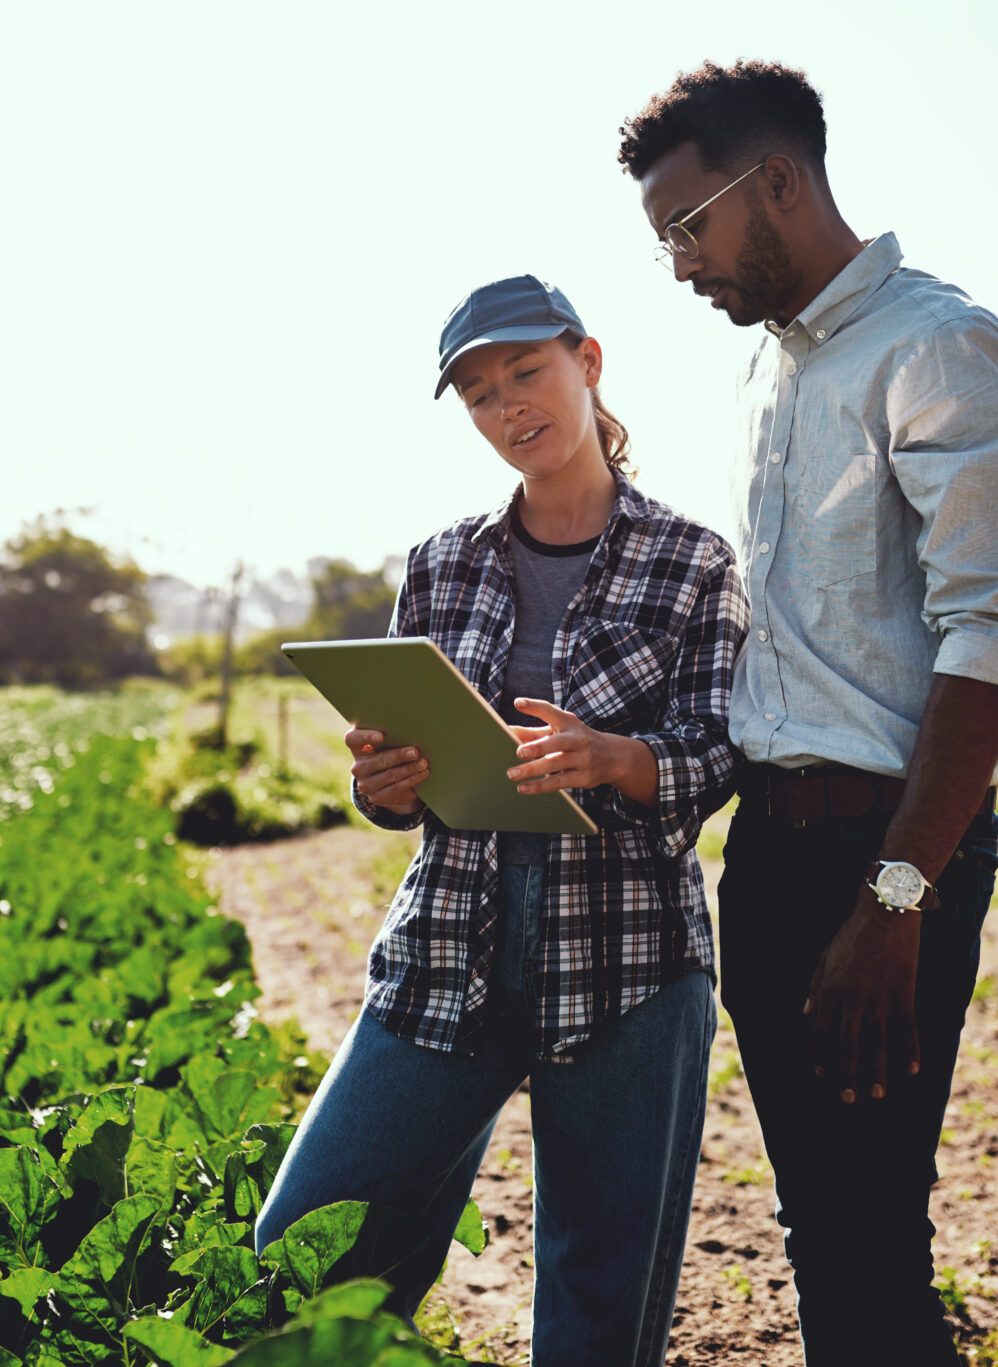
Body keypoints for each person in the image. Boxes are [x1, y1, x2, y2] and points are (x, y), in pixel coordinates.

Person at [617, 61, 998, 1365]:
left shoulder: (941, 348)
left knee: (868, 1238)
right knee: (824, 1226)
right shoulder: (770, 371)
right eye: (663, 242)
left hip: (884, 858)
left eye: (689, 227)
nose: (682, 265)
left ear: (784, 183)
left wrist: (897, 898)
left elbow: (993, 634)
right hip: (770, 850)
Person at [252, 275, 749, 1365]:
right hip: (447, 945)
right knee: (306, 1245)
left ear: (588, 360)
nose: (506, 405)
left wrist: (621, 759)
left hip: (628, 962)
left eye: (525, 371)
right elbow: (390, 776)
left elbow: (719, 750)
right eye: (477, 393)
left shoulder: (694, 560)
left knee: (597, 1302)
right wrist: (381, 782)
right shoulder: (440, 563)